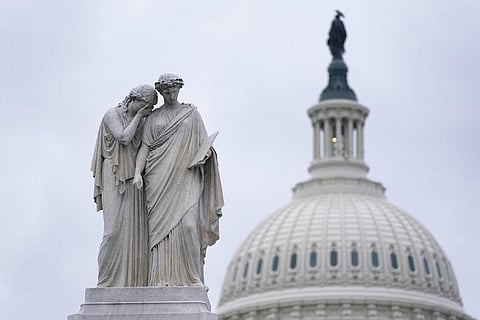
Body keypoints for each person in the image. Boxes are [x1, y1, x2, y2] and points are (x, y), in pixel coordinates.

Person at [134, 73, 223, 287]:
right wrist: (137, 172)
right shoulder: (153, 118)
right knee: (159, 232)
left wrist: (206, 155)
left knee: (188, 226)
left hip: (186, 176)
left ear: (179, 90)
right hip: (158, 178)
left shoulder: (191, 115)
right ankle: (160, 279)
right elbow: (145, 147)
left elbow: (204, 144)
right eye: (165, 92)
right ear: (161, 93)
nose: (170, 94)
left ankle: (192, 279)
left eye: (173, 91)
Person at [91, 85, 157, 287]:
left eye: (151, 108)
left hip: (134, 180)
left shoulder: (145, 120)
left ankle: (133, 283)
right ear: (133, 100)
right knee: (112, 232)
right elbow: (124, 138)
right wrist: (139, 117)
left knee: (135, 233)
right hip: (113, 175)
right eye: (145, 106)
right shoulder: (112, 115)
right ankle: (106, 282)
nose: (147, 111)